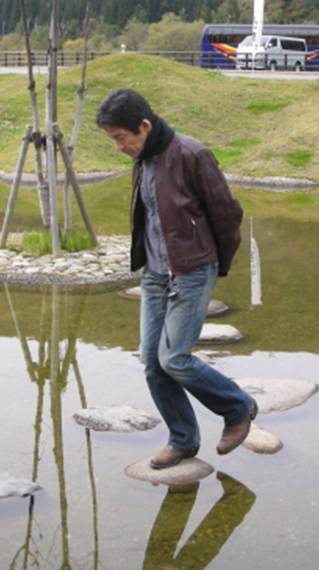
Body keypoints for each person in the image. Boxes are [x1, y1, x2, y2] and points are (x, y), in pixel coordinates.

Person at [96, 89, 256, 469]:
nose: (118, 147)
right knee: (152, 361)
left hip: (192, 272)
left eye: (121, 137)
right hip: (155, 275)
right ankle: (182, 439)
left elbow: (227, 215)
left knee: (175, 359)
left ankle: (238, 407)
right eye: (113, 139)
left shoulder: (191, 154)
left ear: (144, 126)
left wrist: (214, 265)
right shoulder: (142, 159)